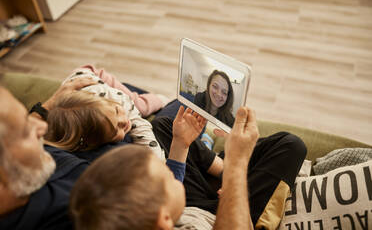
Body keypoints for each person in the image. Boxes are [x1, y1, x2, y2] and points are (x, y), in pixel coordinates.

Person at [70, 105, 307, 230]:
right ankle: (227, 173)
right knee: (292, 146)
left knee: (162, 125)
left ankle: (218, 168)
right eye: (169, 179)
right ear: (163, 218)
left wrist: (180, 144)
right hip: (222, 219)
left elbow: (172, 176)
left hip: (189, 207)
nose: (174, 176)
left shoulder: (153, 218)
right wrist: (236, 170)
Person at [0, 78, 96, 230]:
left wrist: (45, 109)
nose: (43, 127)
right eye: (25, 132)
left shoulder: (21, 173)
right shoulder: (75, 217)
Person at [44, 68, 165, 161]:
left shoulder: (118, 101)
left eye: (117, 111)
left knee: (140, 106)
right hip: (83, 90)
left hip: (91, 75)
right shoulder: (68, 134)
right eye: (116, 129)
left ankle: (162, 98)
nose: (124, 121)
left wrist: (157, 160)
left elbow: (144, 132)